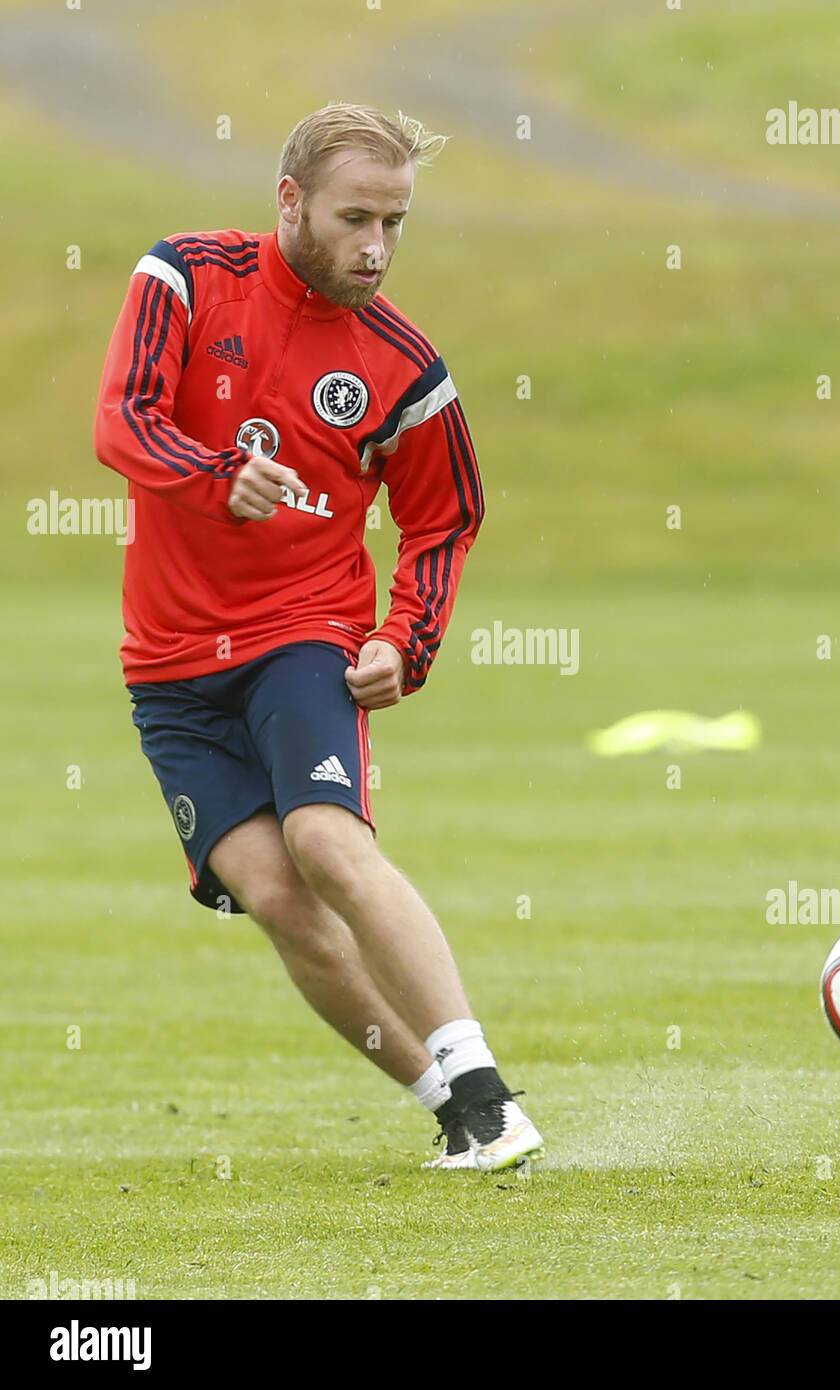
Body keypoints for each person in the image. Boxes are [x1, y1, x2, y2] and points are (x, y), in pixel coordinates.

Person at [93, 102, 543, 1173]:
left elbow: (445, 517)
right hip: (167, 667)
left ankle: (487, 1084)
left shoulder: (403, 365)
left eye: (395, 223)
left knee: (327, 842)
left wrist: (406, 638)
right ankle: (455, 1111)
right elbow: (123, 418)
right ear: (290, 201)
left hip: (302, 632)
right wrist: (217, 476)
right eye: (356, 219)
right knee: (279, 899)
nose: (377, 248)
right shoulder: (185, 277)